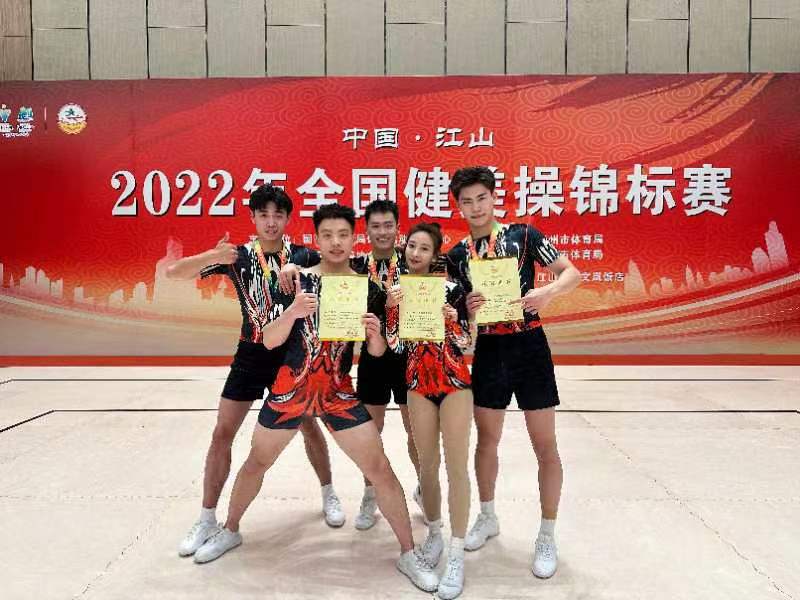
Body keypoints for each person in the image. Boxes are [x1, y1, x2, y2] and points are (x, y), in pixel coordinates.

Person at [193, 203, 439, 593]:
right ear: (317, 239)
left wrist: (375, 334)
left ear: (353, 239)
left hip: (338, 394)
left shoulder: (367, 288)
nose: (336, 242)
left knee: (379, 468)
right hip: (290, 390)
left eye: (343, 235)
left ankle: (408, 552)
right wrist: (292, 311)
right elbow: (269, 339)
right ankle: (230, 529)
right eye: (328, 235)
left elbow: (377, 353)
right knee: (257, 462)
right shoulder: (294, 281)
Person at [168, 184, 345, 559]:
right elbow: (173, 273)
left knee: (309, 424)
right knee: (222, 432)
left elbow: (337, 272)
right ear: (253, 218)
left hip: (291, 354)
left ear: (288, 218)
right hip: (250, 353)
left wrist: (302, 269)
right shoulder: (237, 256)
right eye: (263, 215)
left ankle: (328, 492)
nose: (271, 222)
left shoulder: (303, 254)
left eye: (278, 215)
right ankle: (207, 518)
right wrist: (212, 255)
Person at [446, 166, 581, 579]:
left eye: (481, 198)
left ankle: (547, 534)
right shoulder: (457, 256)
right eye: (466, 202)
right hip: (490, 350)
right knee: (487, 440)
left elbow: (572, 273)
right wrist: (467, 311)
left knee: (545, 444)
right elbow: (457, 319)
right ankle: (488, 516)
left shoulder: (524, 236)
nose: (475, 208)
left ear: (493, 198)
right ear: (459, 206)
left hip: (530, 346)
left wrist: (547, 292)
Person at [384, 222, 475, 599]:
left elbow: (466, 343)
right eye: (411, 247)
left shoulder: (452, 290)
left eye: (424, 248)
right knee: (427, 466)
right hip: (417, 384)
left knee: (456, 467)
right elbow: (394, 346)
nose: (416, 253)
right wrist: (391, 310)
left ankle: (457, 552)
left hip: (454, 383)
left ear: (436, 254)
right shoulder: (397, 291)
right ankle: (435, 533)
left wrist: (452, 320)